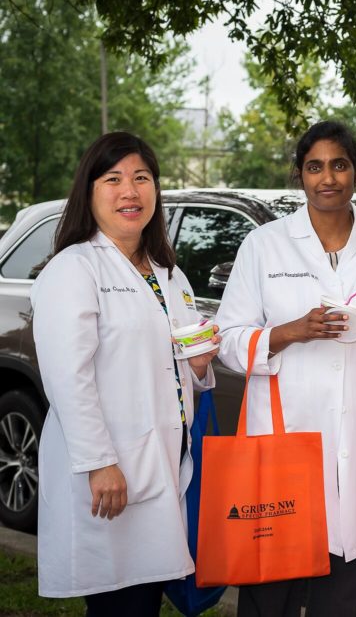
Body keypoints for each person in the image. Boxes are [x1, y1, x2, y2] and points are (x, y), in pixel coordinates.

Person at [215, 120, 356, 616]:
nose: (328, 178)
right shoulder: (265, 245)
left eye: (339, 165)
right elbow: (229, 343)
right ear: (300, 176)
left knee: (340, 589)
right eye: (315, 166)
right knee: (270, 591)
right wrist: (291, 331)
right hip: (283, 441)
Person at [31, 132, 219, 615]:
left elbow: (174, 358)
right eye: (113, 179)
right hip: (111, 471)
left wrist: (198, 368)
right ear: (89, 192)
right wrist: (99, 461)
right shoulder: (74, 270)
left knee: (147, 596)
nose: (130, 191)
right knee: (120, 603)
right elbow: (67, 377)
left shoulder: (168, 273)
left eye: (141, 178)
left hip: (164, 459)